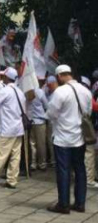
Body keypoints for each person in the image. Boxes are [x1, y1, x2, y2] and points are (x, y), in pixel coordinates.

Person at [46, 65, 92, 214]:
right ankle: (80, 203)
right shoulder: (86, 91)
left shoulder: (60, 91)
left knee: (63, 171)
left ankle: (63, 204)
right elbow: (88, 112)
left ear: (59, 76)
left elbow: (51, 113)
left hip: (62, 138)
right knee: (80, 170)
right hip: (79, 138)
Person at [29, 77, 49, 171]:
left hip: (31, 121)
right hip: (40, 121)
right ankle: (42, 163)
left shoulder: (27, 92)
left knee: (32, 143)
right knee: (41, 144)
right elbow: (47, 105)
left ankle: (33, 163)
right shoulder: (40, 92)